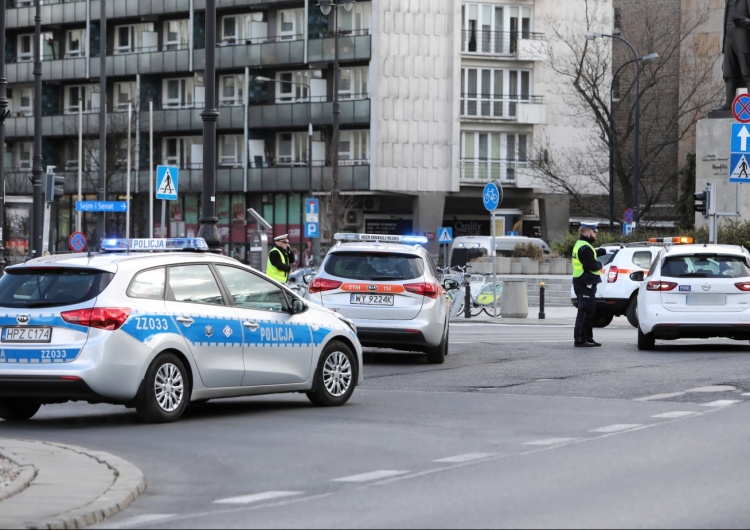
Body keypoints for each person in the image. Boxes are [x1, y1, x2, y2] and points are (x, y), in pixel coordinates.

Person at [572, 222, 606, 347]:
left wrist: (601, 251)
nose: (596, 234)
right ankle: (580, 339)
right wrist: (600, 265)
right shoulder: (584, 247)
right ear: (587, 232)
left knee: (589, 311)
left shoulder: (583, 245)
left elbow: (590, 254)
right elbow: (591, 264)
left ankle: (587, 338)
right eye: (595, 232)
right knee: (585, 310)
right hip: (585, 282)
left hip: (585, 282)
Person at [716, 0, 750, 111]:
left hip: (744, 37)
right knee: (728, 71)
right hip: (729, 38)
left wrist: (747, 21)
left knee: (747, 71)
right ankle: (729, 103)